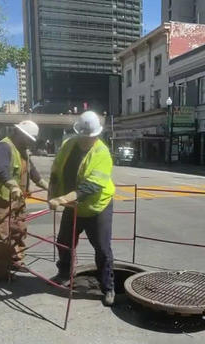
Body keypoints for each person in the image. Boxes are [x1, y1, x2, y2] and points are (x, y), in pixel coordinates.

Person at [48, 111, 116, 306]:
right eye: (84, 136)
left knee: (102, 249)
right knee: (63, 241)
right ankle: (64, 273)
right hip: (73, 205)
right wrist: (51, 194)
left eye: (91, 137)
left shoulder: (102, 153)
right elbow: (56, 170)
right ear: (78, 133)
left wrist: (61, 199)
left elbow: (90, 187)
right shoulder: (68, 145)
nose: (87, 140)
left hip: (97, 207)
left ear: (97, 135)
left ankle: (108, 287)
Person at [0, 120, 49, 281]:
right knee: (1, 234)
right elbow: (1, 170)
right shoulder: (4, 146)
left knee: (19, 229)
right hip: (1, 197)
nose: (29, 142)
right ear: (19, 134)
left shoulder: (23, 150)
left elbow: (32, 171)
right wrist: (13, 186)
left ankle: (16, 260)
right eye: (28, 138)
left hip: (18, 197)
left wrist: (46, 186)